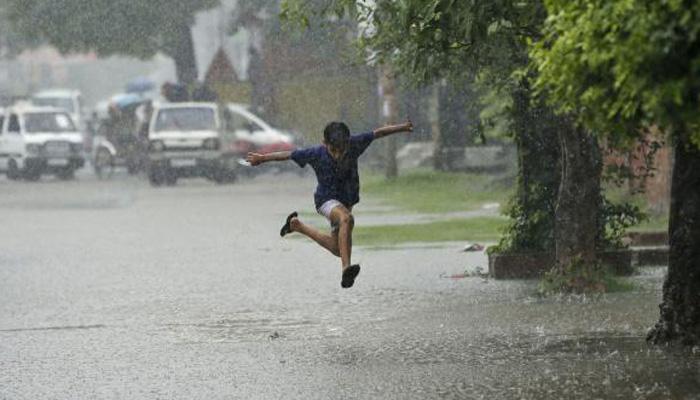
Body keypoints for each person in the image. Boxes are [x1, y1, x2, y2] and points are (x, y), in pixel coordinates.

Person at [246, 120, 413, 288]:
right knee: (347, 219)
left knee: (337, 249)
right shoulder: (315, 153)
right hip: (326, 200)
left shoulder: (355, 144)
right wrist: (262, 158)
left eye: (342, 151)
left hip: (347, 200)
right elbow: (289, 155)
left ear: (348, 142)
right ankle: (346, 269)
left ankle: (297, 226)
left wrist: (402, 127)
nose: (338, 155)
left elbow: (378, 133)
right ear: (324, 143)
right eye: (333, 150)